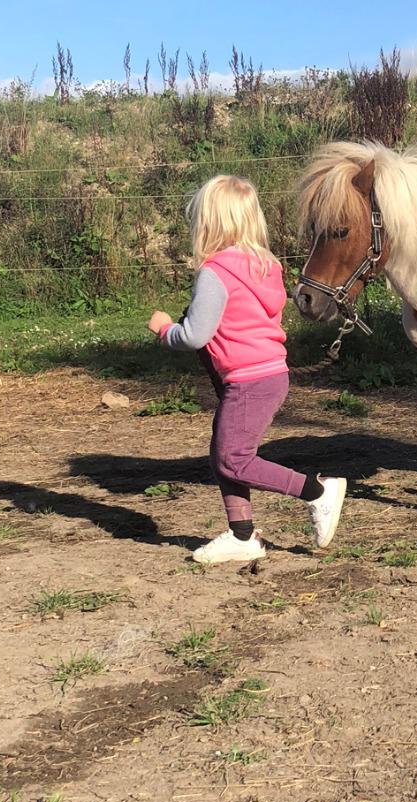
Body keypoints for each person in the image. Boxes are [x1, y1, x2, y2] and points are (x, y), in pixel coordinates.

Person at [147, 174, 346, 564]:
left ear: (208, 222)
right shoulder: (264, 266)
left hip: (248, 380)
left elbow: (195, 335)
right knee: (224, 452)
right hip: (268, 375)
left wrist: (165, 330)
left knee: (232, 458)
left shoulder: (215, 272)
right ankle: (242, 535)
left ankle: (318, 491)